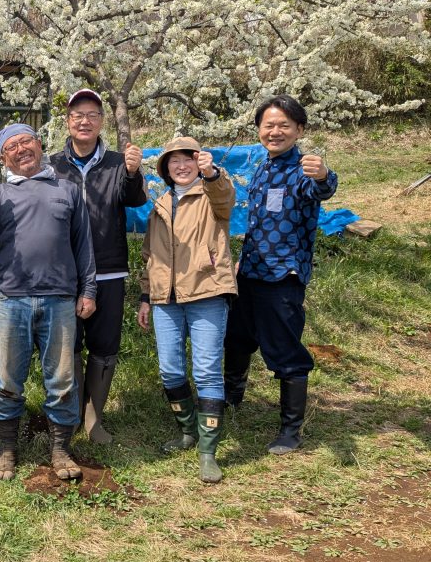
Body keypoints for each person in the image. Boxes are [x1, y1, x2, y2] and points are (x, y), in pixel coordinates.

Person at [0, 123, 97, 482]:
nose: (21, 149)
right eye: (11, 147)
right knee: (8, 377)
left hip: (59, 299)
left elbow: (83, 244)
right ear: (4, 157)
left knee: (63, 378)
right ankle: (7, 449)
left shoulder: (68, 190)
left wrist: (89, 290)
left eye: (26, 142)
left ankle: (60, 449)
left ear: (39, 145)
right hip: (12, 299)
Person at [223, 95, 337, 455]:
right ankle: (231, 399)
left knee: (284, 350)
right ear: (259, 130)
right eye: (268, 125)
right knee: (237, 338)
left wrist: (323, 174)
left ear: (299, 129)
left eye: (284, 125)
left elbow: (320, 187)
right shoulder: (263, 166)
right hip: (251, 271)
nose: (275, 132)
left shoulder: (301, 168)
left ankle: (291, 429)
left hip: (282, 277)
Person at [136, 137, 236, 483]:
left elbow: (225, 197)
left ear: (198, 163)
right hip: (166, 299)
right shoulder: (160, 204)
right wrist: (146, 297)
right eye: (173, 162)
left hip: (207, 291)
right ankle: (187, 430)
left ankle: (208, 451)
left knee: (207, 370)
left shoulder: (212, 194)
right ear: (165, 169)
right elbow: (150, 255)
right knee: (170, 369)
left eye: (188, 160)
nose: (181, 166)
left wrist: (212, 174)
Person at [51, 89, 147, 444]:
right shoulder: (52, 165)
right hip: (66, 273)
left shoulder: (118, 162)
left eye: (92, 114)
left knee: (104, 346)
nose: (84, 121)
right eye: (78, 115)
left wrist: (134, 173)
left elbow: (134, 199)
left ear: (101, 122)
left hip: (108, 269)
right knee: (69, 346)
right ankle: (72, 415)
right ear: (68, 122)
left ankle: (95, 420)